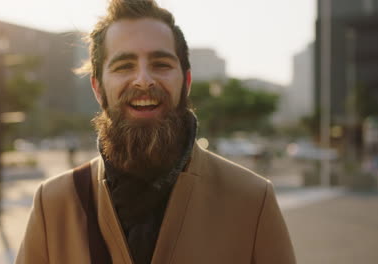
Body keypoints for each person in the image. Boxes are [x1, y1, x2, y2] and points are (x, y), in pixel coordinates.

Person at [15, 0, 295, 263]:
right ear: (98, 88)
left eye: (161, 64)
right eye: (124, 66)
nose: (144, 80)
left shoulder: (252, 200)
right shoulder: (53, 204)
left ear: (185, 82)